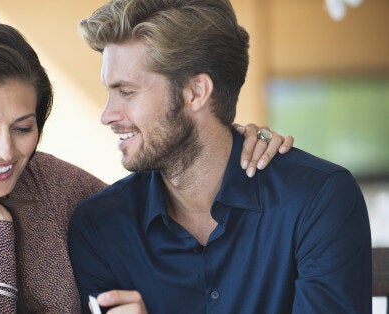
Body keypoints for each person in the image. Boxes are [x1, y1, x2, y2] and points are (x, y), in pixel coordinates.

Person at [0, 22, 293, 313]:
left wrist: (227, 138)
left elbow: (165, 199)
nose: (6, 151)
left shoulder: (63, 190)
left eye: (23, 128)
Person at [68, 0, 372, 313]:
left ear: (196, 92)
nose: (107, 115)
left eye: (126, 92)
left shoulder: (317, 200)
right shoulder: (99, 228)